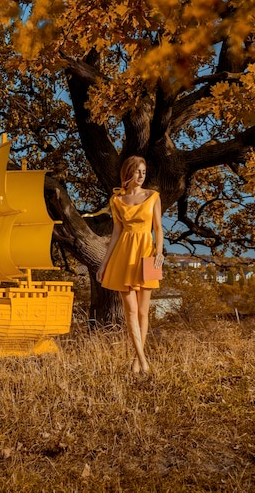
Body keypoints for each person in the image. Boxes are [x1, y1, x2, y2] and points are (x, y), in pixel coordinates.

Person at [96, 156, 164, 374]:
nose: (142, 176)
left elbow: (158, 228)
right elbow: (116, 233)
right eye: (137, 172)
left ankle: (137, 360)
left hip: (149, 254)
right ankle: (143, 360)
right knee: (131, 311)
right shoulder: (116, 201)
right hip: (124, 255)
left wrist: (160, 252)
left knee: (144, 311)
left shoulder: (153, 196)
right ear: (128, 174)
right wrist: (103, 264)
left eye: (144, 171)